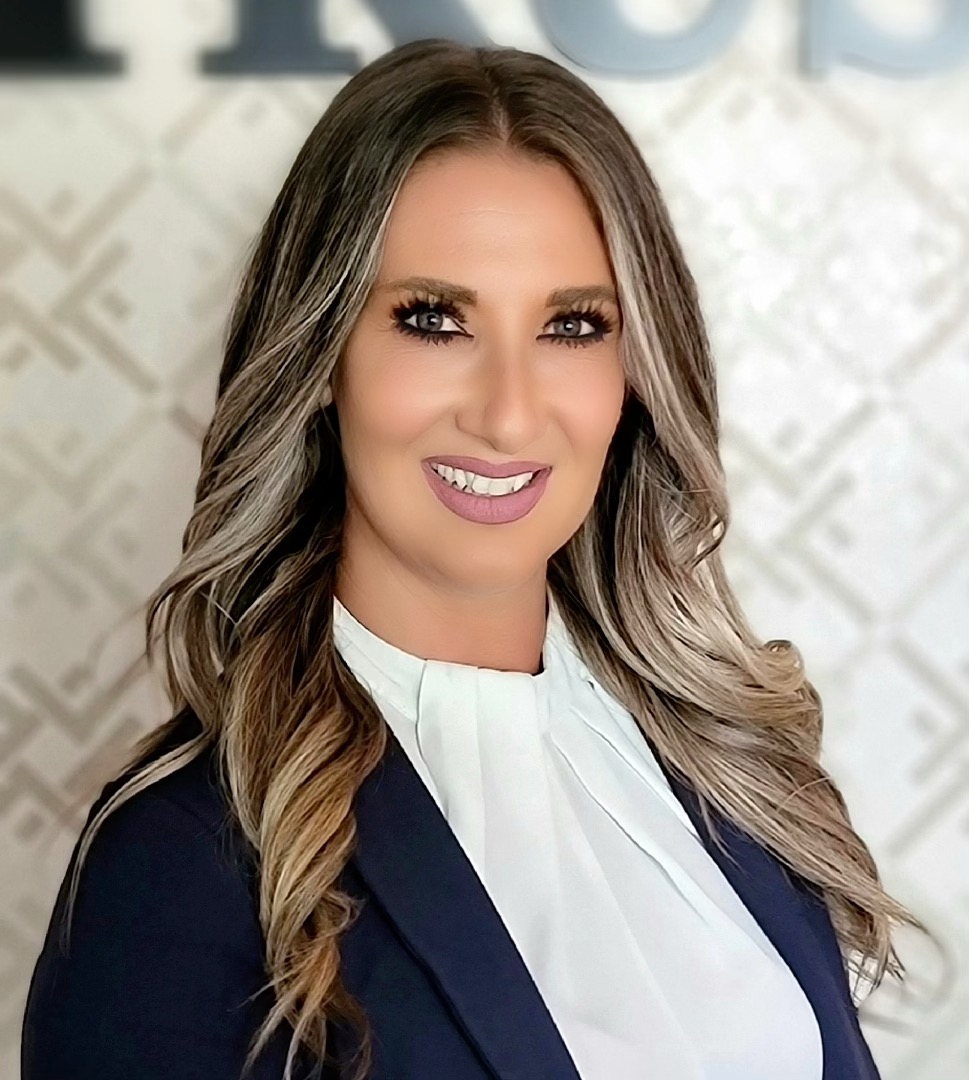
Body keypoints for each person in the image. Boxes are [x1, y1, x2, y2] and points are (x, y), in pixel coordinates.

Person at [21, 37, 928, 1080]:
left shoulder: (736, 772)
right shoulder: (180, 865)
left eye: (571, 326)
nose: (507, 413)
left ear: (634, 374)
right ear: (322, 358)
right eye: (433, 320)